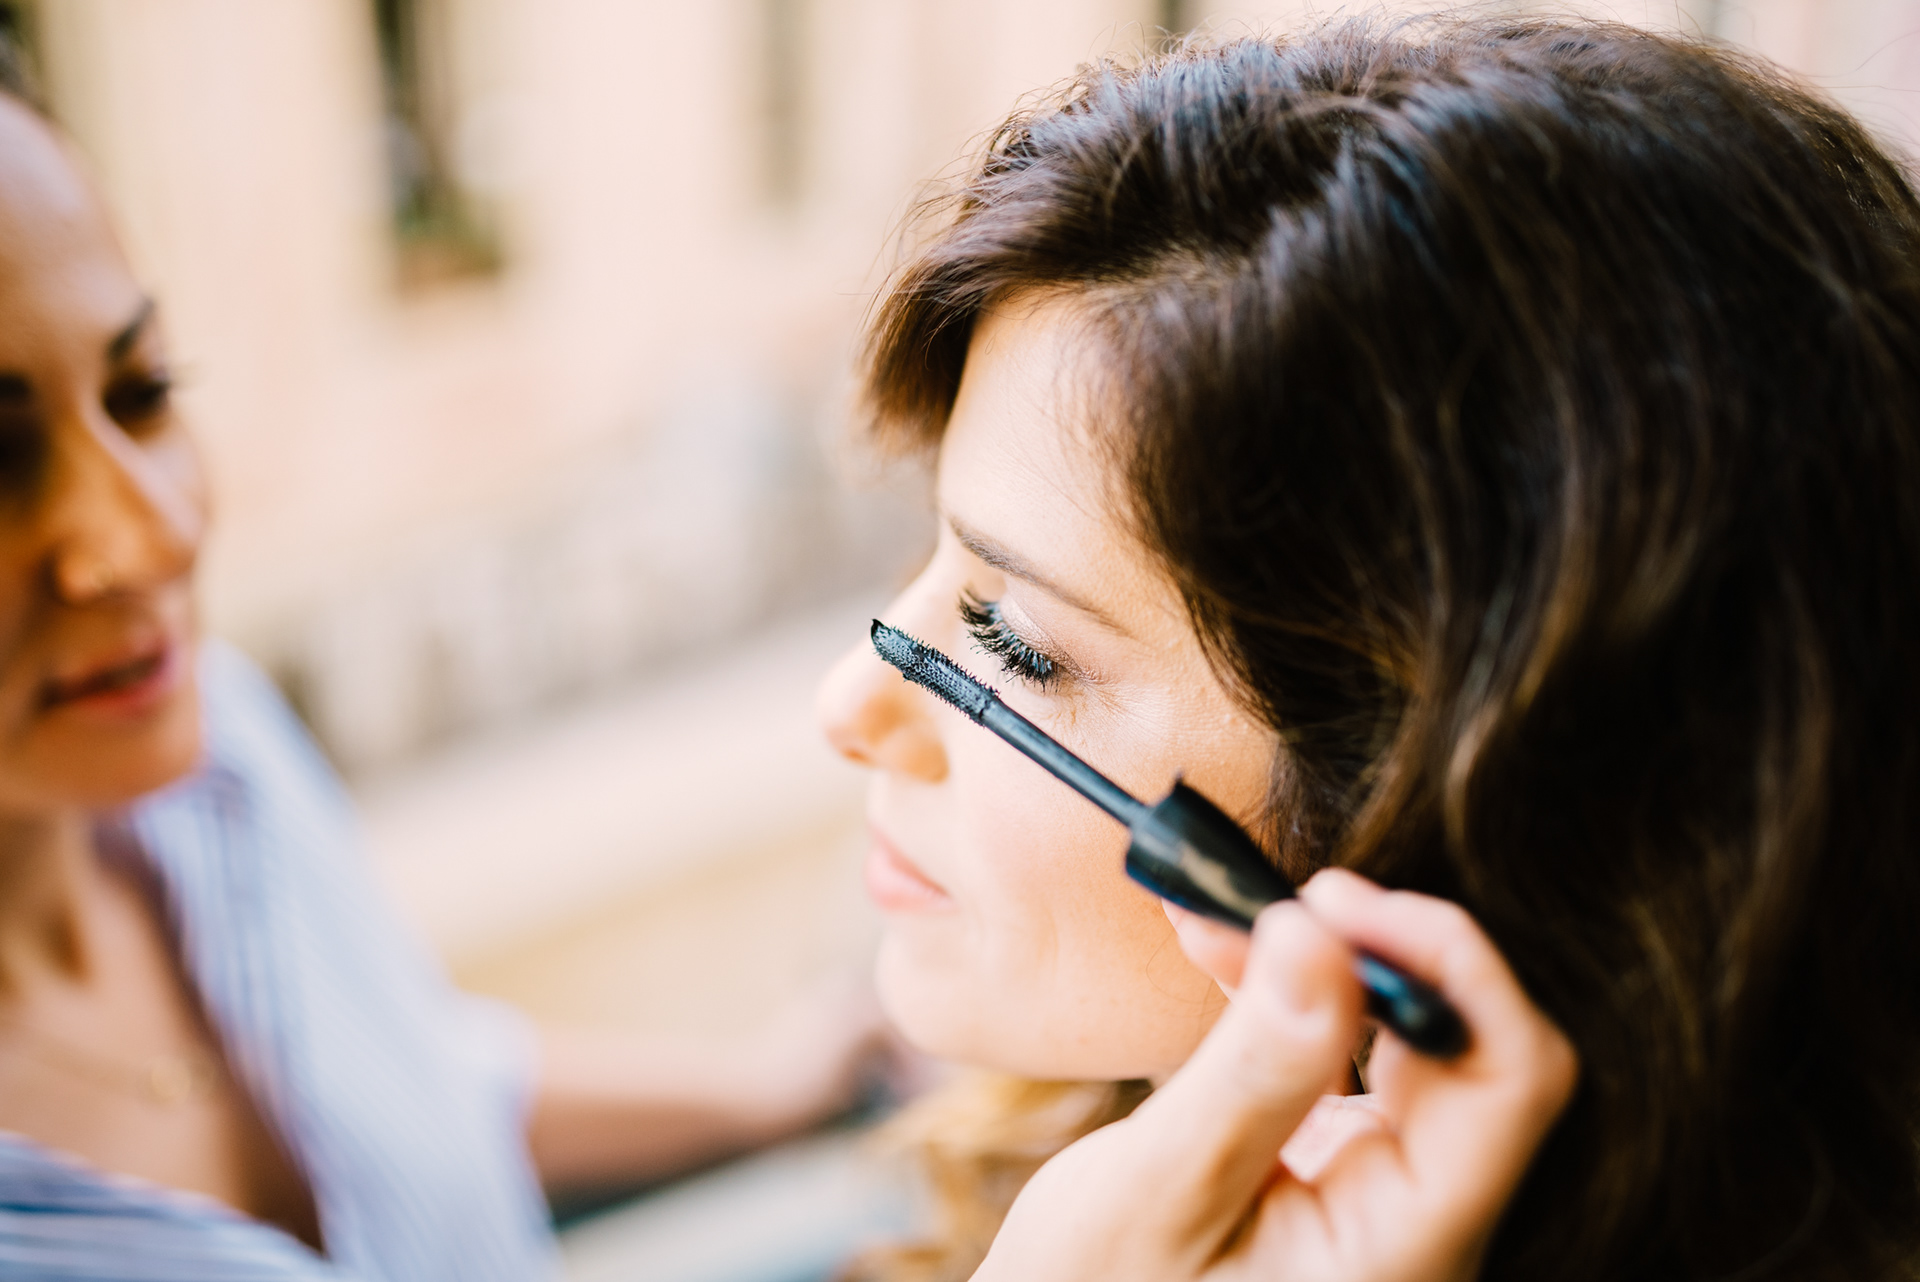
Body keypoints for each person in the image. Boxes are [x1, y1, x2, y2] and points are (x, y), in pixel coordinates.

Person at [817, 12, 1920, 1281]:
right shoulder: (1054, 1160)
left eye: (1013, 642)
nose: (847, 705)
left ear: (1444, 808)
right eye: (932, 558)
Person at [0, 67, 880, 1280]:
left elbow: (405, 1074)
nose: (147, 535)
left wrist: (764, 1087)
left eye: (140, 393)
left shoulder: (218, 748)